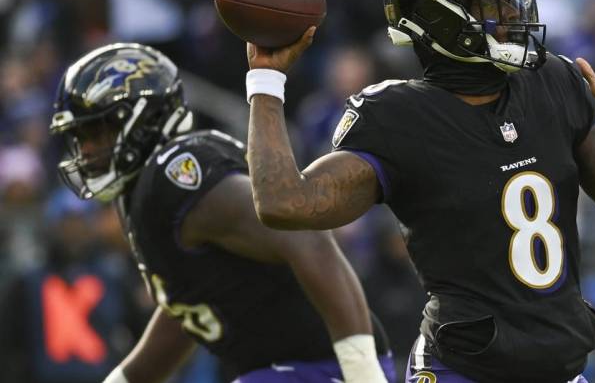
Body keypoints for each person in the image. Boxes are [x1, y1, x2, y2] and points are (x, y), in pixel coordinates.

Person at [242, 0, 595, 382]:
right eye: (490, 1)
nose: (512, 12)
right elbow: (284, 202)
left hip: (562, 369)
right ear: (437, 14)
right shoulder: (398, 116)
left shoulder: (553, 81)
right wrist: (266, 80)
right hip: (465, 370)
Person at [49, 43, 395, 383]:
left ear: (145, 119)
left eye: (97, 131)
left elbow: (306, 234)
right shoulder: (142, 196)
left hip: (320, 366)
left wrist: (361, 369)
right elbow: (191, 305)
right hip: (287, 369)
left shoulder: (175, 178)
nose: (88, 149)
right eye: (80, 137)